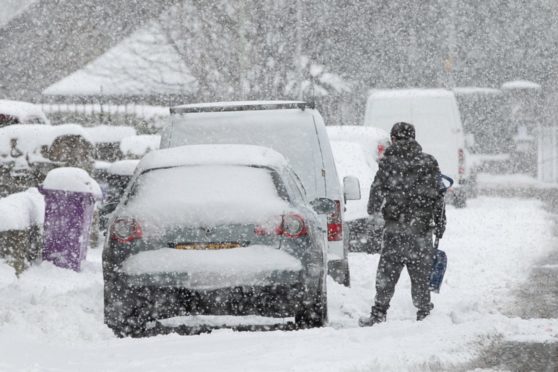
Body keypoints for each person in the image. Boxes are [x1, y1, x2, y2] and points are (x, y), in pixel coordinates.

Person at [359, 122, 446, 326]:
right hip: (421, 230)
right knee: (421, 275)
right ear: (414, 138)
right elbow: (439, 197)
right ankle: (424, 311)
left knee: (387, 273)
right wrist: (440, 224)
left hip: (395, 229)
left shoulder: (388, 162)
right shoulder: (429, 162)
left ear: (394, 139)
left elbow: (376, 193)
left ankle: (379, 312)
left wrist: (373, 210)